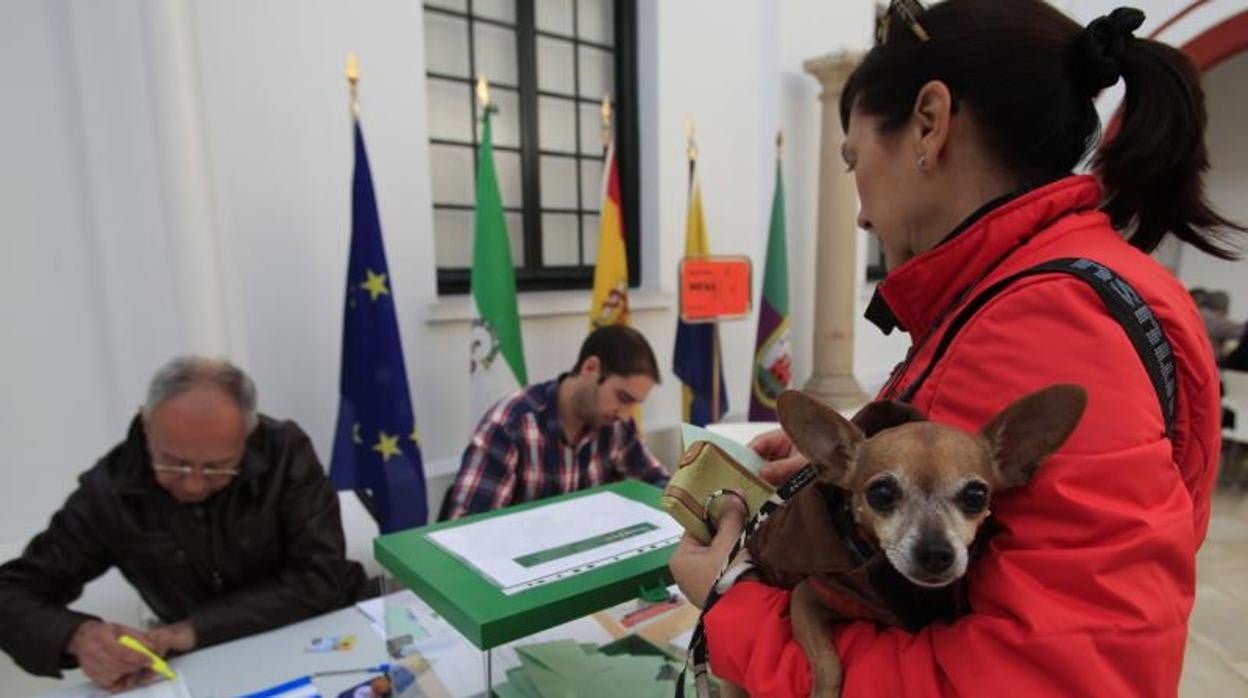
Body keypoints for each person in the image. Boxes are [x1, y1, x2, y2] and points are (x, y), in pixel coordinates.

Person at [670, 1, 1241, 696]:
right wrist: (856, 471)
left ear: (929, 124)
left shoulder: (1048, 325)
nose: (859, 210)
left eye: (853, 162)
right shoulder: (1039, 283)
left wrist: (733, 601)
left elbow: (1048, 680)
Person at [0, 357, 370, 690]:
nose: (193, 484)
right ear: (146, 425)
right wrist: (78, 636)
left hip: (322, 633)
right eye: (173, 464)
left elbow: (322, 573)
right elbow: (11, 594)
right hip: (208, 666)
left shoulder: (284, 450)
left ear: (248, 435)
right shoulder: (109, 491)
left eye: (217, 467)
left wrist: (192, 630)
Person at [443, 324, 668, 519]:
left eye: (634, 404)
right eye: (623, 398)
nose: (626, 415)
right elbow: (467, 530)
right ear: (590, 368)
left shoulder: (617, 425)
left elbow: (659, 486)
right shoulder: (509, 427)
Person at [1199, 290, 1245, 362]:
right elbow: (1240, 331)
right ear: (1224, 308)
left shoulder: (1198, 313)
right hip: (1205, 361)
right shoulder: (1210, 319)